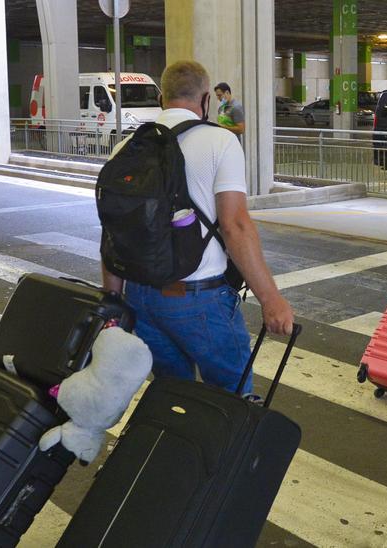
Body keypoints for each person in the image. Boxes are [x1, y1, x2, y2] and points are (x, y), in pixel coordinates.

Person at [102, 61, 293, 394]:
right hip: (198, 300)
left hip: (141, 299)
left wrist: (113, 301)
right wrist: (271, 299)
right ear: (206, 99)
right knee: (231, 397)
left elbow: (113, 232)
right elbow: (235, 226)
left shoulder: (125, 148)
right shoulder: (220, 143)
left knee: (173, 395)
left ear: (162, 97)